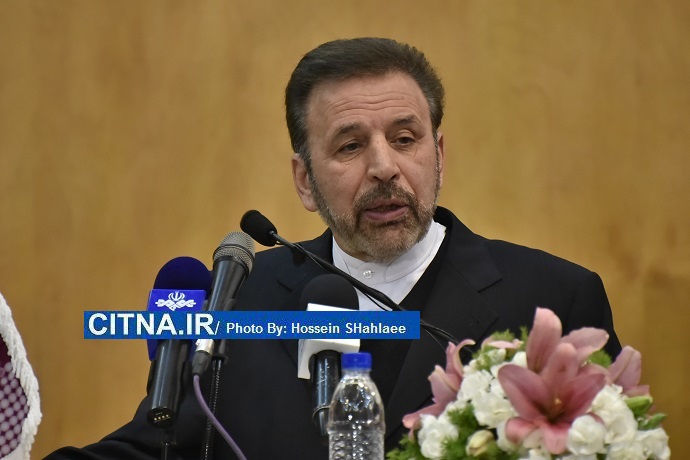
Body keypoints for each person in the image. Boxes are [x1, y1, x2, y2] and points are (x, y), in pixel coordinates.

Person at [46, 37, 621, 460]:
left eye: (405, 139)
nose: (384, 167)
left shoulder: (552, 299)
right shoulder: (242, 300)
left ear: (439, 155)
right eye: (349, 147)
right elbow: (157, 447)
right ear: (304, 181)